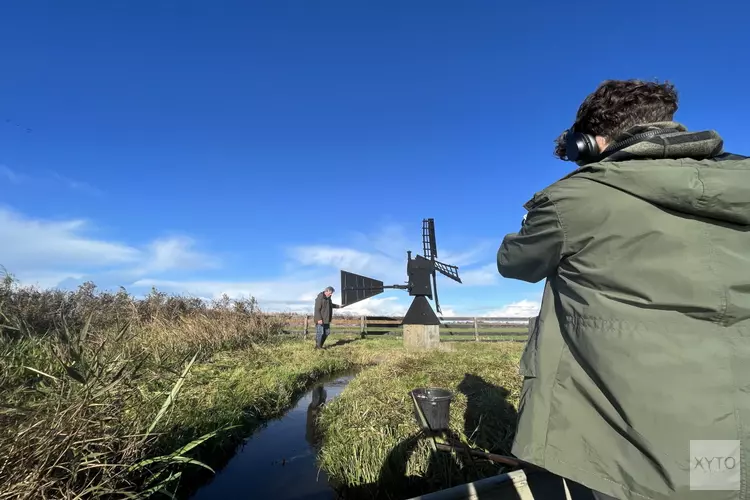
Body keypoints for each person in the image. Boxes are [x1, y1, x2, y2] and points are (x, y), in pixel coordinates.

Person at [497, 79, 750, 500]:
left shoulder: (575, 199)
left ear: (588, 144)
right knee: (719, 481)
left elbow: (514, 262)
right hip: (731, 422)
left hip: (636, 435)